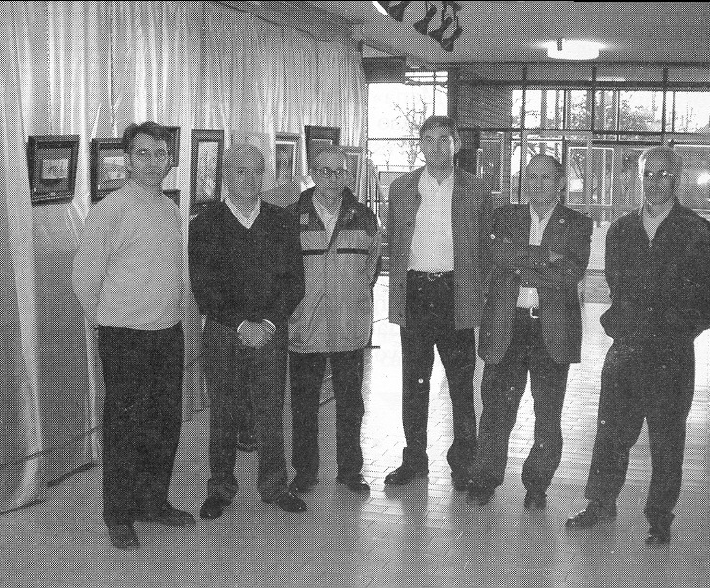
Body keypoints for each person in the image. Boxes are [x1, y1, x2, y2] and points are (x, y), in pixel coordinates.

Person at [566, 146, 710, 545]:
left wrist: (685, 327)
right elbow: (615, 282)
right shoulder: (622, 230)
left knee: (667, 439)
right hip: (626, 349)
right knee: (611, 433)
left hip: (672, 354)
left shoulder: (696, 232)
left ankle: (659, 517)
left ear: (677, 179)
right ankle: (600, 503)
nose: (655, 182)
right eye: (649, 175)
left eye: (663, 174)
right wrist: (623, 322)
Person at [72, 121, 194, 550]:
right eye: (143, 153)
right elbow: (84, 277)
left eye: (160, 154)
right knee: (124, 428)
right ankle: (119, 516)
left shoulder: (169, 209)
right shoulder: (111, 210)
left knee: (164, 424)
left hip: (167, 331)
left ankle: (153, 502)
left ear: (169, 160)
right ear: (127, 159)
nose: (153, 162)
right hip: (124, 337)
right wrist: (105, 320)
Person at [188, 143, 306, 517]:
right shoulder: (204, 224)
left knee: (270, 409)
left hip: (271, 330)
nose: (250, 179)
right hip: (224, 331)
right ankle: (220, 489)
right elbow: (204, 286)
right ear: (226, 176)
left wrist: (267, 323)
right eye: (241, 171)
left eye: (256, 172)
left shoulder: (281, 221)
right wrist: (241, 324)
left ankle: (274, 486)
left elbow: (295, 283)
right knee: (223, 411)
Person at [468, 155, 593, 507]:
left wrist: (519, 261)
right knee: (496, 410)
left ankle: (537, 485)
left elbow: (571, 273)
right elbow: (495, 255)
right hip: (507, 324)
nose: (537, 184)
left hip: (551, 330)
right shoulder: (504, 216)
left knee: (547, 415)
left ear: (560, 183)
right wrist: (545, 257)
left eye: (546, 177)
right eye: (531, 177)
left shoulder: (578, 223)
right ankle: (486, 479)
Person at [384, 115, 492, 489]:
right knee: (414, 383)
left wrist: (477, 293)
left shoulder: (477, 189)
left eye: (443, 139)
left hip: (454, 294)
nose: (435, 147)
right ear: (421, 145)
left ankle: (464, 462)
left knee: (461, 384)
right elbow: (394, 241)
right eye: (428, 140)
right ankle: (414, 459)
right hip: (415, 293)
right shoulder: (400, 188)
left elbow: (485, 247)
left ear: (456, 144)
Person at [286, 147, 381, 495]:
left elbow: (371, 268)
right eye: (324, 171)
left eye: (339, 172)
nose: (332, 178)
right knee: (304, 406)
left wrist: (351, 297)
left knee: (351, 405)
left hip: (349, 327)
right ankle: (305, 472)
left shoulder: (365, 218)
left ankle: (350, 471)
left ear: (348, 175)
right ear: (312, 173)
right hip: (304, 326)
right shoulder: (291, 216)